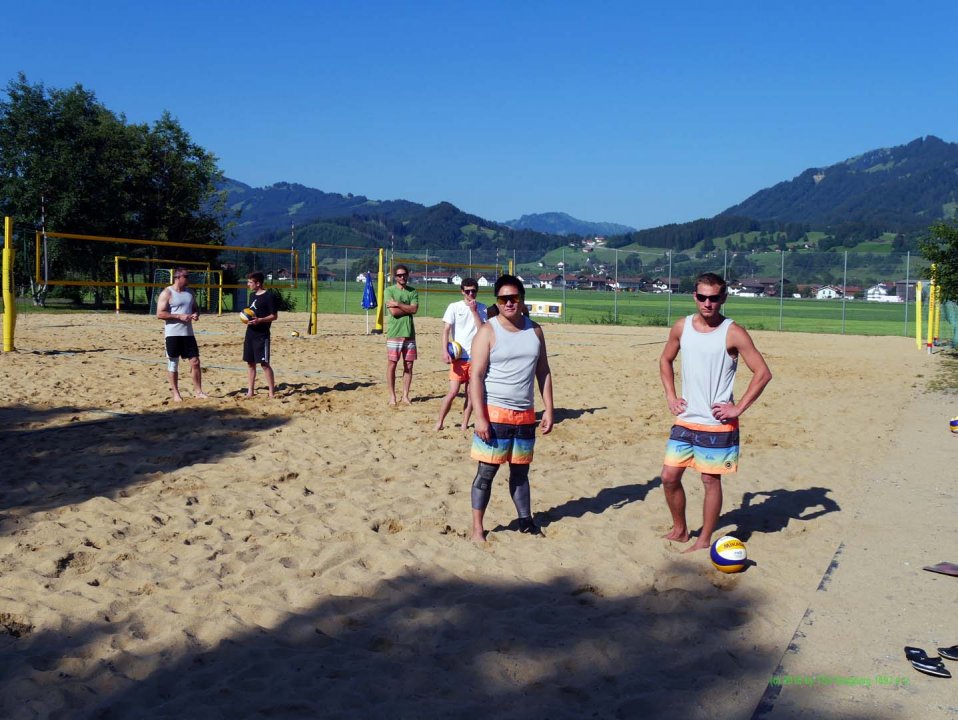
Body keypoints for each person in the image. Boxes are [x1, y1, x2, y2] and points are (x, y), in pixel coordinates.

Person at [658, 272, 772, 552]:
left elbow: (763, 373)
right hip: (685, 420)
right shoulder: (682, 327)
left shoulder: (733, 332)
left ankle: (704, 539)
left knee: (710, 480)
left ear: (724, 298)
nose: (708, 303)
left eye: (714, 298)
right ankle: (681, 529)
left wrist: (738, 408)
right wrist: (671, 396)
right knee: (668, 477)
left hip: (717, 424)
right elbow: (665, 359)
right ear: (694, 296)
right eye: (702, 297)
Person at [469, 275, 554, 542]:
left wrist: (549, 409)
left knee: (520, 472)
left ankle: (525, 522)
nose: (509, 303)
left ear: (521, 299)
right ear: (497, 301)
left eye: (513, 298)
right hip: (495, 414)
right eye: (503, 298)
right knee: (486, 472)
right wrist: (480, 418)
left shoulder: (535, 330)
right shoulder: (488, 331)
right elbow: (476, 377)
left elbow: (544, 371)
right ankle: (477, 528)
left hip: (525, 415)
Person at [435, 278, 488, 431]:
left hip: (476, 357)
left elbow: (482, 329)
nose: (471, 294)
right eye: (467, 291)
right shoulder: (454, 307)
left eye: (473, 291)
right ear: (462, 291)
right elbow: (446, 330)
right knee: (452, 392)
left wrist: (474, 311)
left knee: (471, 393)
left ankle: (464, 423)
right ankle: (440, 422)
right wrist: (444, 350)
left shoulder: (482, 308)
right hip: (458, 357)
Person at [156, 267, 208, 402]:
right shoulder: (167, 292)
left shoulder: (190, 293)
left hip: (188, 334)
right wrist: (179, 316)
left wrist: (196, 314)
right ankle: (176, 394)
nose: (188, 279)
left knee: (195, 362)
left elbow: (195, 308)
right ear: (178, 277)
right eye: (186, 276)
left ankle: (198, 391)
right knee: (173, 363)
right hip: (173, 334)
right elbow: (160, 314)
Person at [384, 264, 419, 405]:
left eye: (404, 274)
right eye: (399, 275)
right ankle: (392, 396)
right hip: (395, 332)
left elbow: (415, 309)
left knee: (409, 365)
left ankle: (405, 395)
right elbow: (394, 312)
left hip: (409, 333)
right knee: (392, 364)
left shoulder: (412, 291)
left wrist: (398, 304)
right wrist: (408, 308)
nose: (402, 277)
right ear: (395, 277)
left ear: (408, 275)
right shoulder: (389, 290)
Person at [243, 271, 278, 398]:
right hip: (250, 333)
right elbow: (250, 312)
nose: (248, 284)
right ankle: (250, 391)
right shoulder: (252, 296)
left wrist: (260, 320)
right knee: (250, 363)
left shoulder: (269, 296)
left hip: (262, 335)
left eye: (250, 282)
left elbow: (274, 316)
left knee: (264, 364)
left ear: (258, 283)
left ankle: (271, 392)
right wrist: (245, 318)